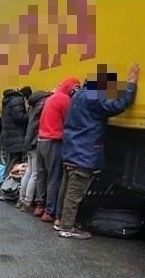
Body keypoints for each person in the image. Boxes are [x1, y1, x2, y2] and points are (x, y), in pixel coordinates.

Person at [58, 63, 140, 239]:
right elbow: (119, 105)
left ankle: (61, 221)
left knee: (66, 190)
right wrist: (131, 84)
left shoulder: (79, 94)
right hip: (83, 152)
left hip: (72, 148)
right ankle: (67, 227)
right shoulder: (93, 98)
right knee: (75, 193)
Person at [34, 77, 81, 221]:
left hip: (41, 140)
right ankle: (49, 211)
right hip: (53, 142)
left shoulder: (51, 98)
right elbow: (70, 121)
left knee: (42, 175)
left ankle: (39, 205)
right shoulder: (64, 100)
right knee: (54, 178)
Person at [17, 90, 52, 212]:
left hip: (28, 141)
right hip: (35, 142)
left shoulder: (34, 106)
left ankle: (21, 199)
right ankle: (27, 201)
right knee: (35, 174)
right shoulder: (43, 105)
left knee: (28, 171)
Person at [1, 86, 32, 174]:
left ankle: (6, 179)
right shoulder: (18, 100)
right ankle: (8, 181)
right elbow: (19, 117)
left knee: (11, 160)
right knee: (15, 161)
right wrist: (30, 116)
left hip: (10, 134)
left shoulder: (9, 100)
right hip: (16, 135)